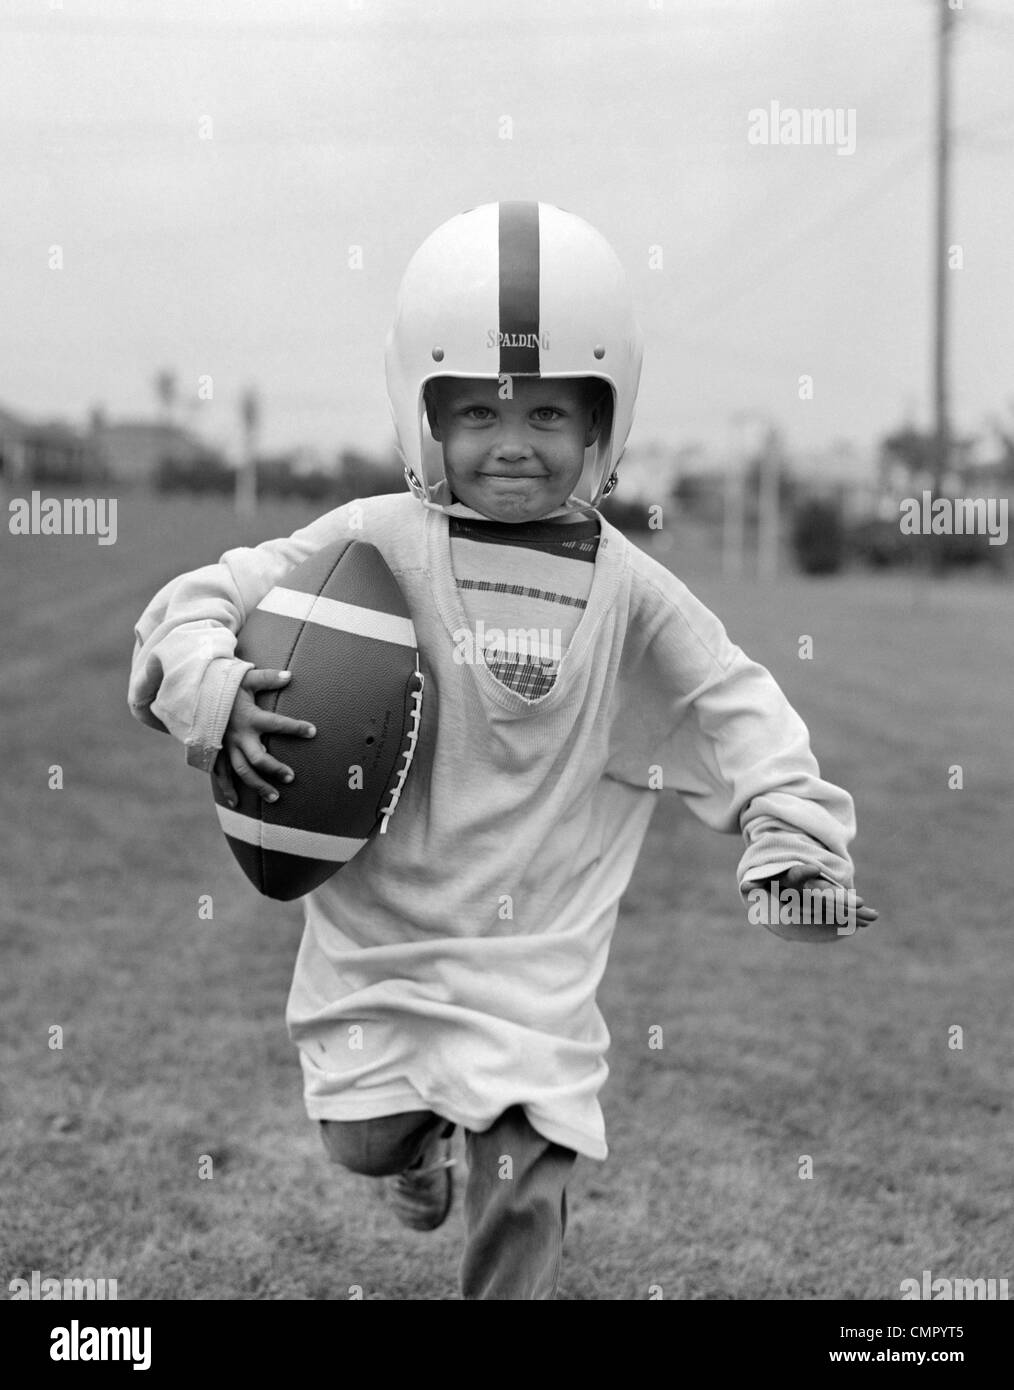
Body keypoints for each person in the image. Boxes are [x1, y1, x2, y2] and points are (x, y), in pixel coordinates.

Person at [128, 200, 878, 1301]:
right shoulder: (370, 539)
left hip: (536, 966)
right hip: (384, 945)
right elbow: (196, 602)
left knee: (529, 1165)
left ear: (602, 425)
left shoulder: (628, 589)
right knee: (365, 1142)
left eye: (548, 414)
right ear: (421, 411)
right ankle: (415, 1149)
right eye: (476, 410)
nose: (513, 443)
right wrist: (218, 688)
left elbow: (733, 704)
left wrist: (793, 843)